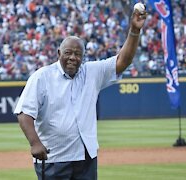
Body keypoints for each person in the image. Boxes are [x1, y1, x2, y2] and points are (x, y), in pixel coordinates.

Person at [14, 7, 147, 180]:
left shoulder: (91, 72)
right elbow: (24, 113)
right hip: (54, 158)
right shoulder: (42, 77)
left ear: (83, 57)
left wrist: (134, 31)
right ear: (58, 53)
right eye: (68, 53)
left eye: (78, 54)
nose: (72, 57)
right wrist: (35, 143)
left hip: (85, 159)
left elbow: (123, 61)